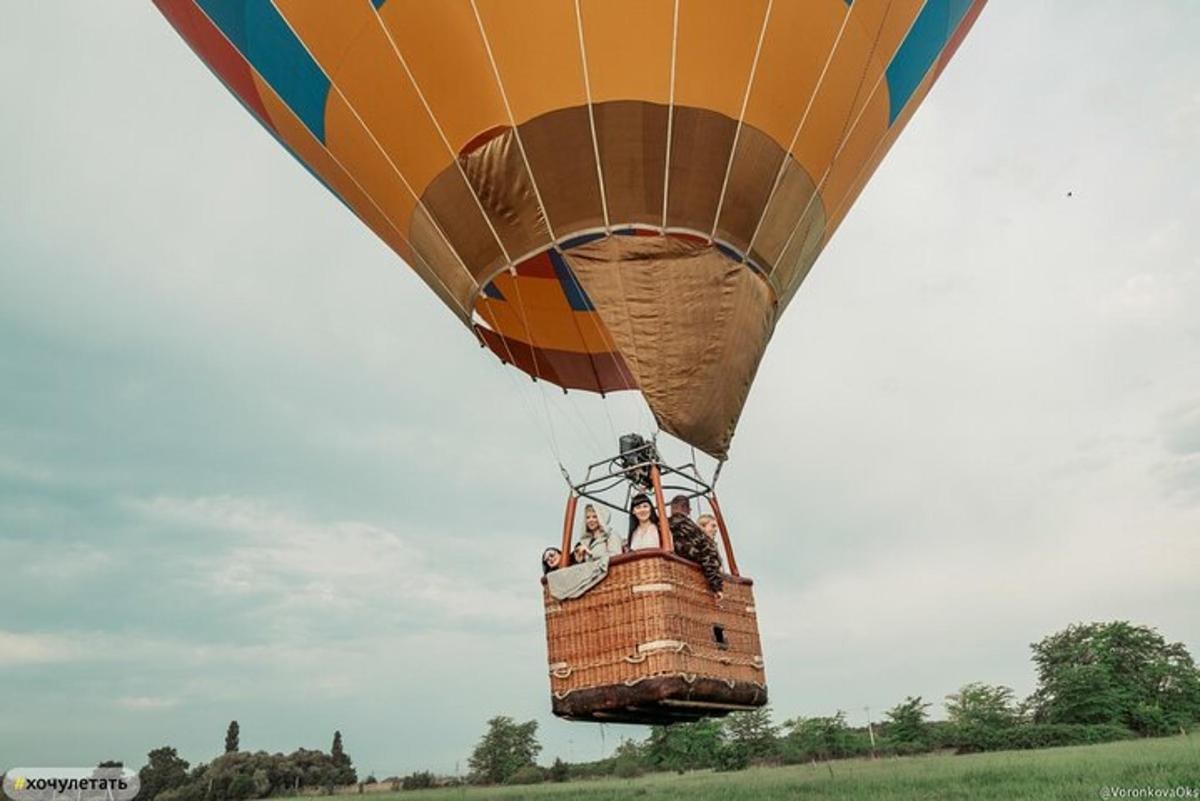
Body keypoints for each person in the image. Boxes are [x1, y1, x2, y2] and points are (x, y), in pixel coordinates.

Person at [666, 495, 724, 597]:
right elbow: (707, 556)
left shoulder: (662, 525)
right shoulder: (693, 529)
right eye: (713, 526)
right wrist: (717, 587)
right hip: (693, 581)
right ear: (688, 510)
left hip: (670, 577)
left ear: (671, 508)